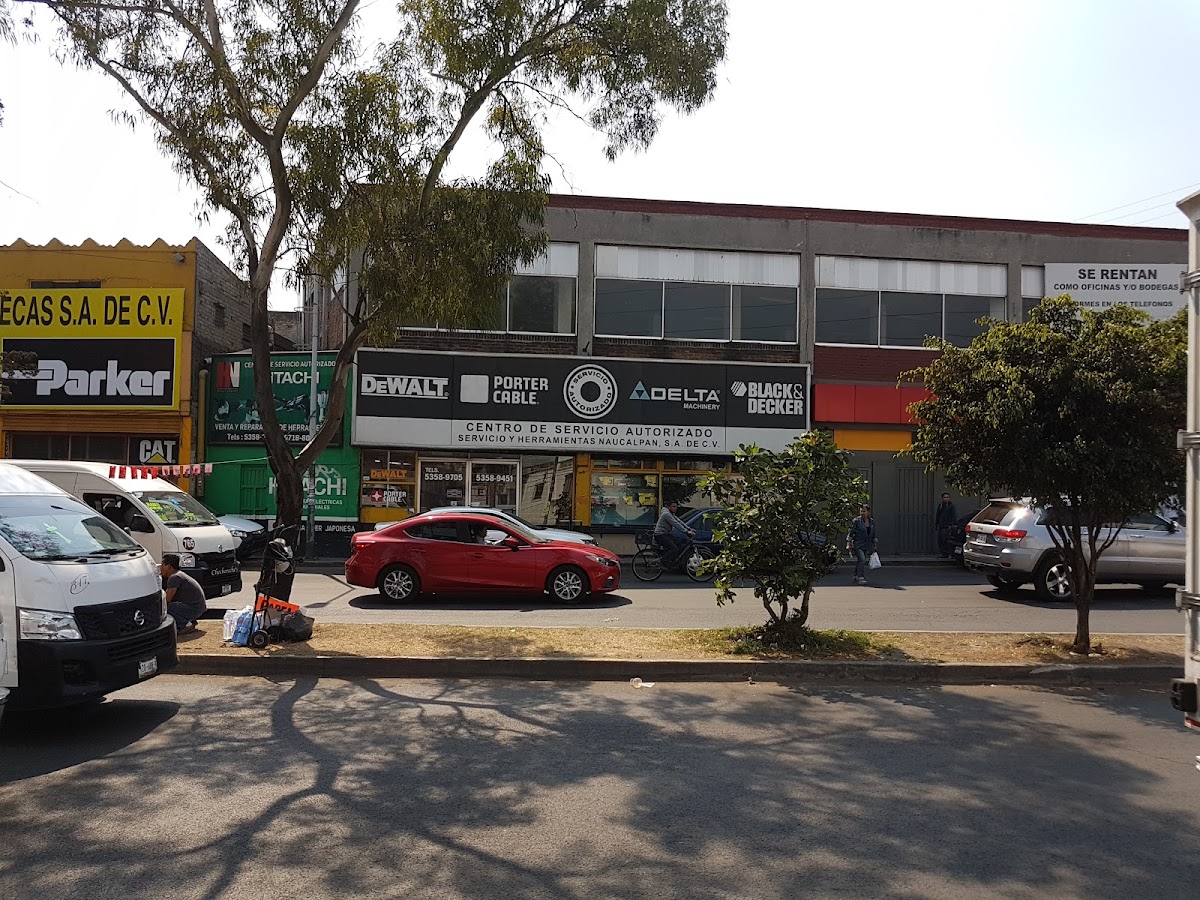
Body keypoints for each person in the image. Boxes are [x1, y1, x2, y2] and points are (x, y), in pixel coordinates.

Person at [161, 553, 206, 634]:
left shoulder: (174, 577)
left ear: (169, 566)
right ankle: (189, 621)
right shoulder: (179, 574)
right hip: (198, 607)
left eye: (162, 565)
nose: (160, 567)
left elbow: (167, 599)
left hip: (195, 609)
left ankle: (186, 625)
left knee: (167, 607)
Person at [654, 500, 695, 567]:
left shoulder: (671, 513)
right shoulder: (666, 514)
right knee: (674, 548)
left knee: (679, 543)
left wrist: (689, 528)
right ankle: (663, 562)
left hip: (666, 534)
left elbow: (678, 521)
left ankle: (672, 561)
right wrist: (686, 531)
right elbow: (675, 524)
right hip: (661, 535)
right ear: (669, 507)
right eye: (673, 506)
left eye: (676, 506)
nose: (675, 508)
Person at [845, 505, 878, 586]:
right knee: (862, 559)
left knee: (860, 560)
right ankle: (861, 577)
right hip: (858, 544)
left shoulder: (872, 521)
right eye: (861, 511)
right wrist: (849, 543)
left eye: (864, 511)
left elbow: (873, 534)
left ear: (868, 512)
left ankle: (855, 575)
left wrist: (874, 545)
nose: (862, 513)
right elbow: (851, 532)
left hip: (867, 544)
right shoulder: (856, 521)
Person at [935, 492, 958, 558]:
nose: (946, 499)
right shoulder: (941, 505)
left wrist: (952, 525)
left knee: (946, 540)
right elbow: (938, 515)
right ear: (942, 498)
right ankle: (944, 553)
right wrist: (937, 524)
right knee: (941, 540)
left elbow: (953, 516)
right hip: (941, 526)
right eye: (945, 497)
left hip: (948, 526)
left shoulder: (951, 506)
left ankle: (948, 553)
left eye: (947, 497)